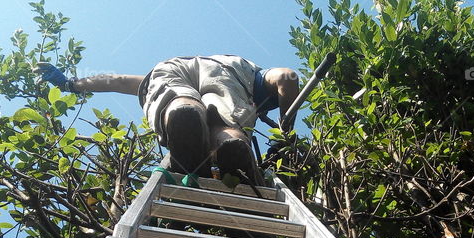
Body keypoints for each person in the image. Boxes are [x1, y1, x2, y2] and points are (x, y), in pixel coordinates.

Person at [36, 55, 299, 182]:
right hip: (229, 76)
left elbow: (116, 81)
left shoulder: (231, 62)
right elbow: (288, 77)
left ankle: (182, 111)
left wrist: (71, 83)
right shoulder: (251, 77)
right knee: (226, 126)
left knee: (180, 105)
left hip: (167, 70)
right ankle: (231, 143)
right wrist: (286, 133)